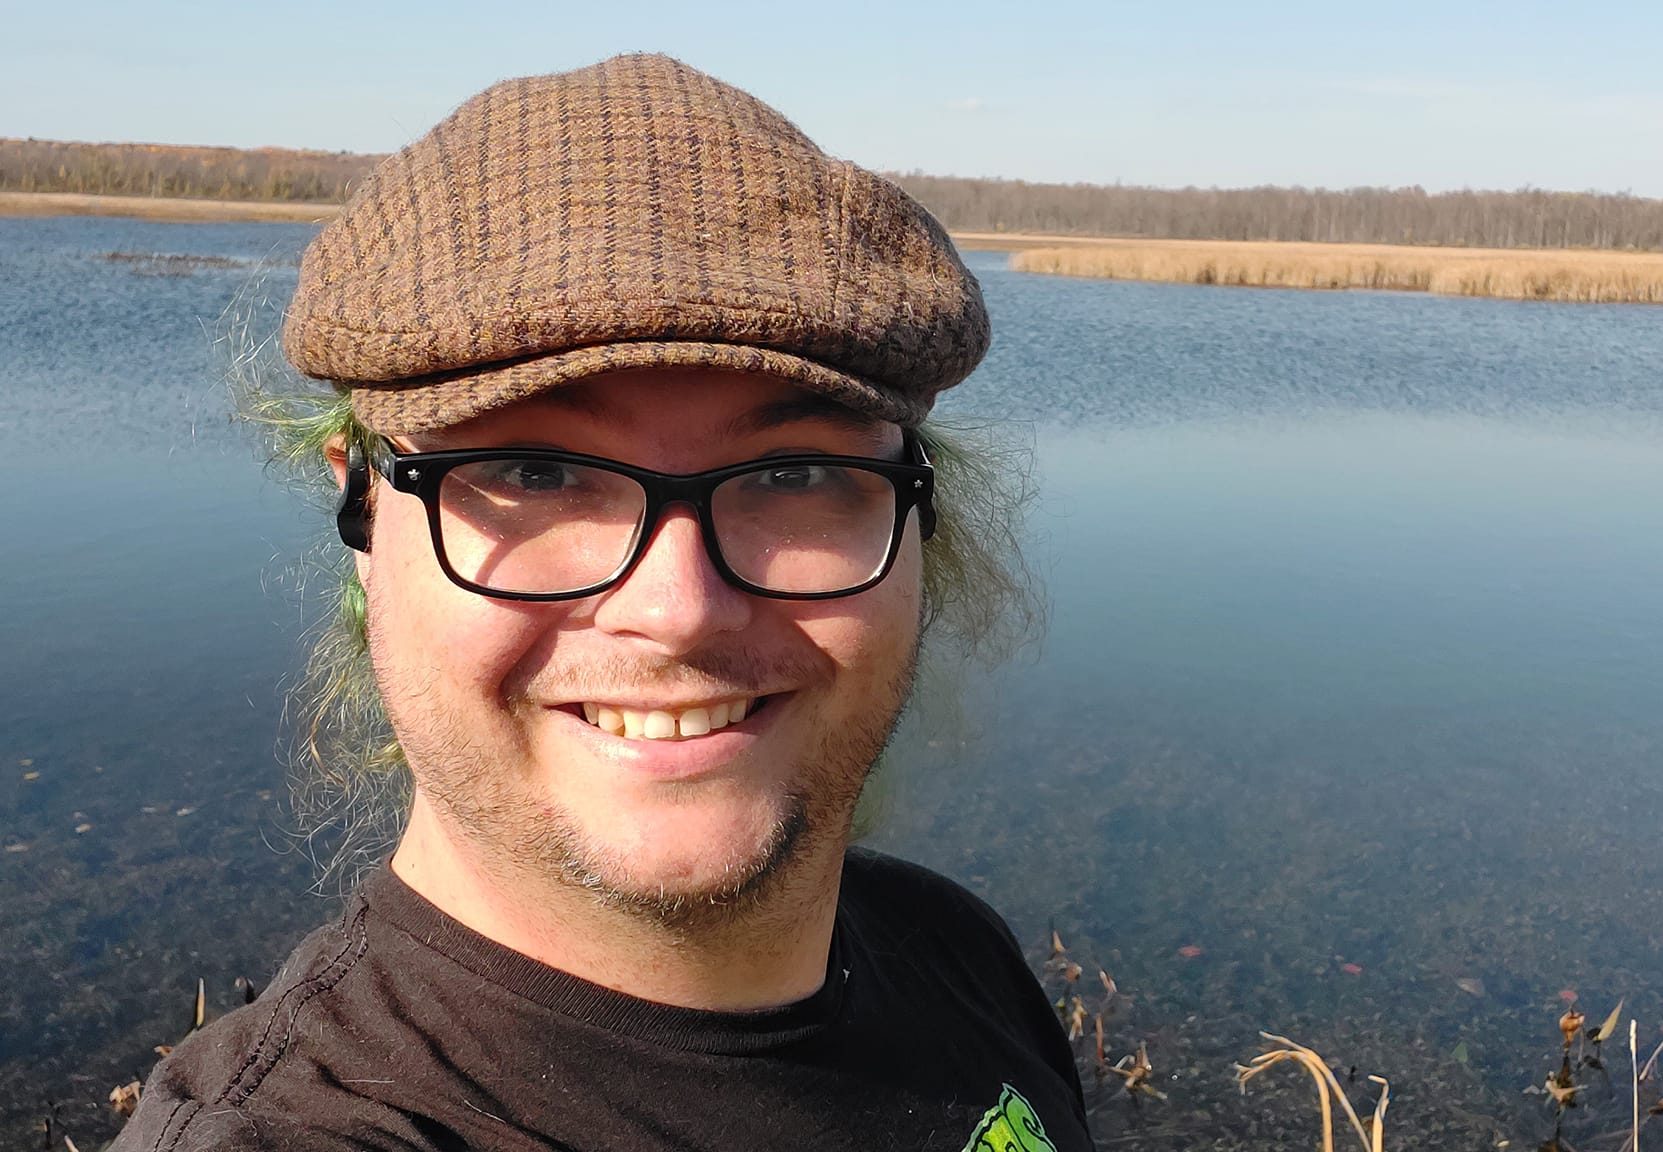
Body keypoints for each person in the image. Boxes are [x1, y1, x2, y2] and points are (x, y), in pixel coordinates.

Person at [113, 53, 1087, 1152]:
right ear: (361, 510)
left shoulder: (952, 953)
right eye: (535, 473)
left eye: (792, 473)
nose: (677, 610)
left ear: (920, 519)